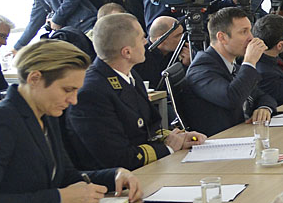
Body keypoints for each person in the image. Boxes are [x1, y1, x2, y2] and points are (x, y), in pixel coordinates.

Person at [0, 40, 141, 203]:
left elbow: (65, 176)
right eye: (67, 90)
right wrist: (59, 198)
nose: (74, 100)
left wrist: (114, 176)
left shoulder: (47, 115)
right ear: (35, 79)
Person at [66, 13, 204, 170]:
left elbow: (149, 128)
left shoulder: (129, 76)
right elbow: (116, 157)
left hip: (143, 169)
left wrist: (178, 138)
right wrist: (168, 148)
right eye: (142, 38)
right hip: (117, 178)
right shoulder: (92, 93)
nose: (146, 42)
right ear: (127, 52)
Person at [183, 7, 276, 136]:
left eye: (250, 31)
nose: (251, 38)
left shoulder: (232, 66)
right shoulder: (201, 70)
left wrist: (264, 108)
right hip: (220, 140)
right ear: (222, 38)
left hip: (243, 134)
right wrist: (249, 62)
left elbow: (263, 96)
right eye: (244, 32)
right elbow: (232, 99)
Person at [138, 15, 190, 89]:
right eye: (177, 36)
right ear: (161, 40)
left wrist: (187, 65)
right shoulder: (140, 56)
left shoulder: (176, 51)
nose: (182, 39)